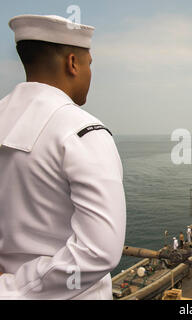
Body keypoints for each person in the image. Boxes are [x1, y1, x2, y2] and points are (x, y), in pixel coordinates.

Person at [0, 15, 126, 299]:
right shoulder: (83, 131)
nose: (90, 74)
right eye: (89, 64)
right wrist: (11, 290)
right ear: (72, 63)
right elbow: (99, 251)